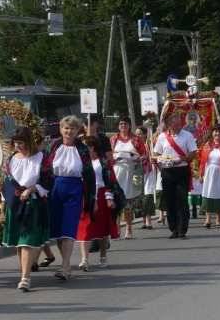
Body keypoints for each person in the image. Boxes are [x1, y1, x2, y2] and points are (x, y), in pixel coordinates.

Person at [46, 115, 95, 280]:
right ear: (61, 129)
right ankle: (66, 264)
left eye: (72, 128)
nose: (69, 131)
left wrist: (91, 198)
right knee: (59, 230)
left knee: (68, 228)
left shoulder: (82, 149)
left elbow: (89, 175)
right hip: (55, 188)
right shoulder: (53, 146)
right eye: (66, 128)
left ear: (77, 131)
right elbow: (44, 168)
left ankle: (66, 266)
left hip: (74, 189)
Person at [2, 127, 50, 292]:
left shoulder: (41, 158)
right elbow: (6, 184)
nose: (18, 146)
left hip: (32, 203)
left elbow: (47, 181)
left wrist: (32, 189)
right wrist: (4, 204)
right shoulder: (11, 160)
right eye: (16, 143)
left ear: (29, 141)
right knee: (19, 242)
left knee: (27, 241)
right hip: (15, 204)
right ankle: (24, 271)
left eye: (21, 143)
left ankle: (25, 278)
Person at [76, 136, 121, 271]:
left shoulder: (102, 162)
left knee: (102, 229)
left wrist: (109, 197)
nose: (83, 149)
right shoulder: (80, 162)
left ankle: (103, 256)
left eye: (87, 146)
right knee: (85, 228)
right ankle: (84, 259)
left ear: (93, 147)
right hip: (86, 195)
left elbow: (109, 181)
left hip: (101, 195)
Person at [152, 112, 197, 238]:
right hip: (167, 171)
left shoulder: (187, 136)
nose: (175, 125)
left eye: (178, 123)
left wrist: (181, 159)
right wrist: (156, 159)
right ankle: (173, 228)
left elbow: (193, 153)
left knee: (182, 200)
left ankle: (182, 228)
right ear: (168, 124)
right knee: (170, 200)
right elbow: (156, 154)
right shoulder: (162, 137)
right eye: (172, 123)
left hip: (181, 170)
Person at [110, 117, 147, 239]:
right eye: (121, 124)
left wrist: (136, 158)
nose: (123, 126)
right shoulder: (113, 139)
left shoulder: (136, 139)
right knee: (116, 202)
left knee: (128, 203)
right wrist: (114, 158)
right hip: (116, 172)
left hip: (131, 173)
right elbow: (108, 156)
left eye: (125, 124)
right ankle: (116, 228)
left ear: (129, 126)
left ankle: (129, 228)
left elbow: (144, 155)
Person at [136, 127, 156, 229]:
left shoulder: (149, 145)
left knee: (148, 195)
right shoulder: (134, 146)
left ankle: (148, 220)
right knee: (139, 196)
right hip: (136, 174)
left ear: (144, 135)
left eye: (140, 134)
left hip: (148, 172)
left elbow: (154, 156)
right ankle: (143, 220)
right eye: (136, 134)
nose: (138, 136)